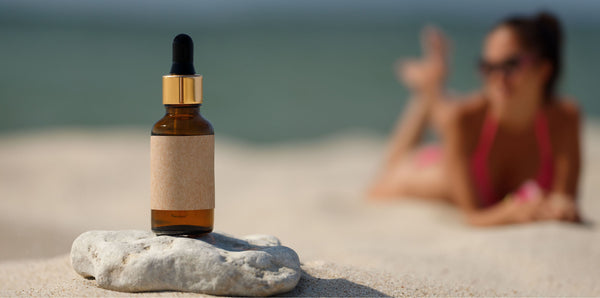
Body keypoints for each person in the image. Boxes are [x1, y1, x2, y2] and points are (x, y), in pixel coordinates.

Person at [368, 12, 582, 226]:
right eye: (488, 68)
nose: (498, 78)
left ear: (543, 70)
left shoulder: (565, 118)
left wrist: (559, 207)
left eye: (511, 65)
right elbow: (472, 216)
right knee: (389, 174)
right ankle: (428, 90)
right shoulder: (465, 119)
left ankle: (432, 86)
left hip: (463, 142)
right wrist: (515, 212)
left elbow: (565, 200)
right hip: (434, 171)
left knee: (446, 116)